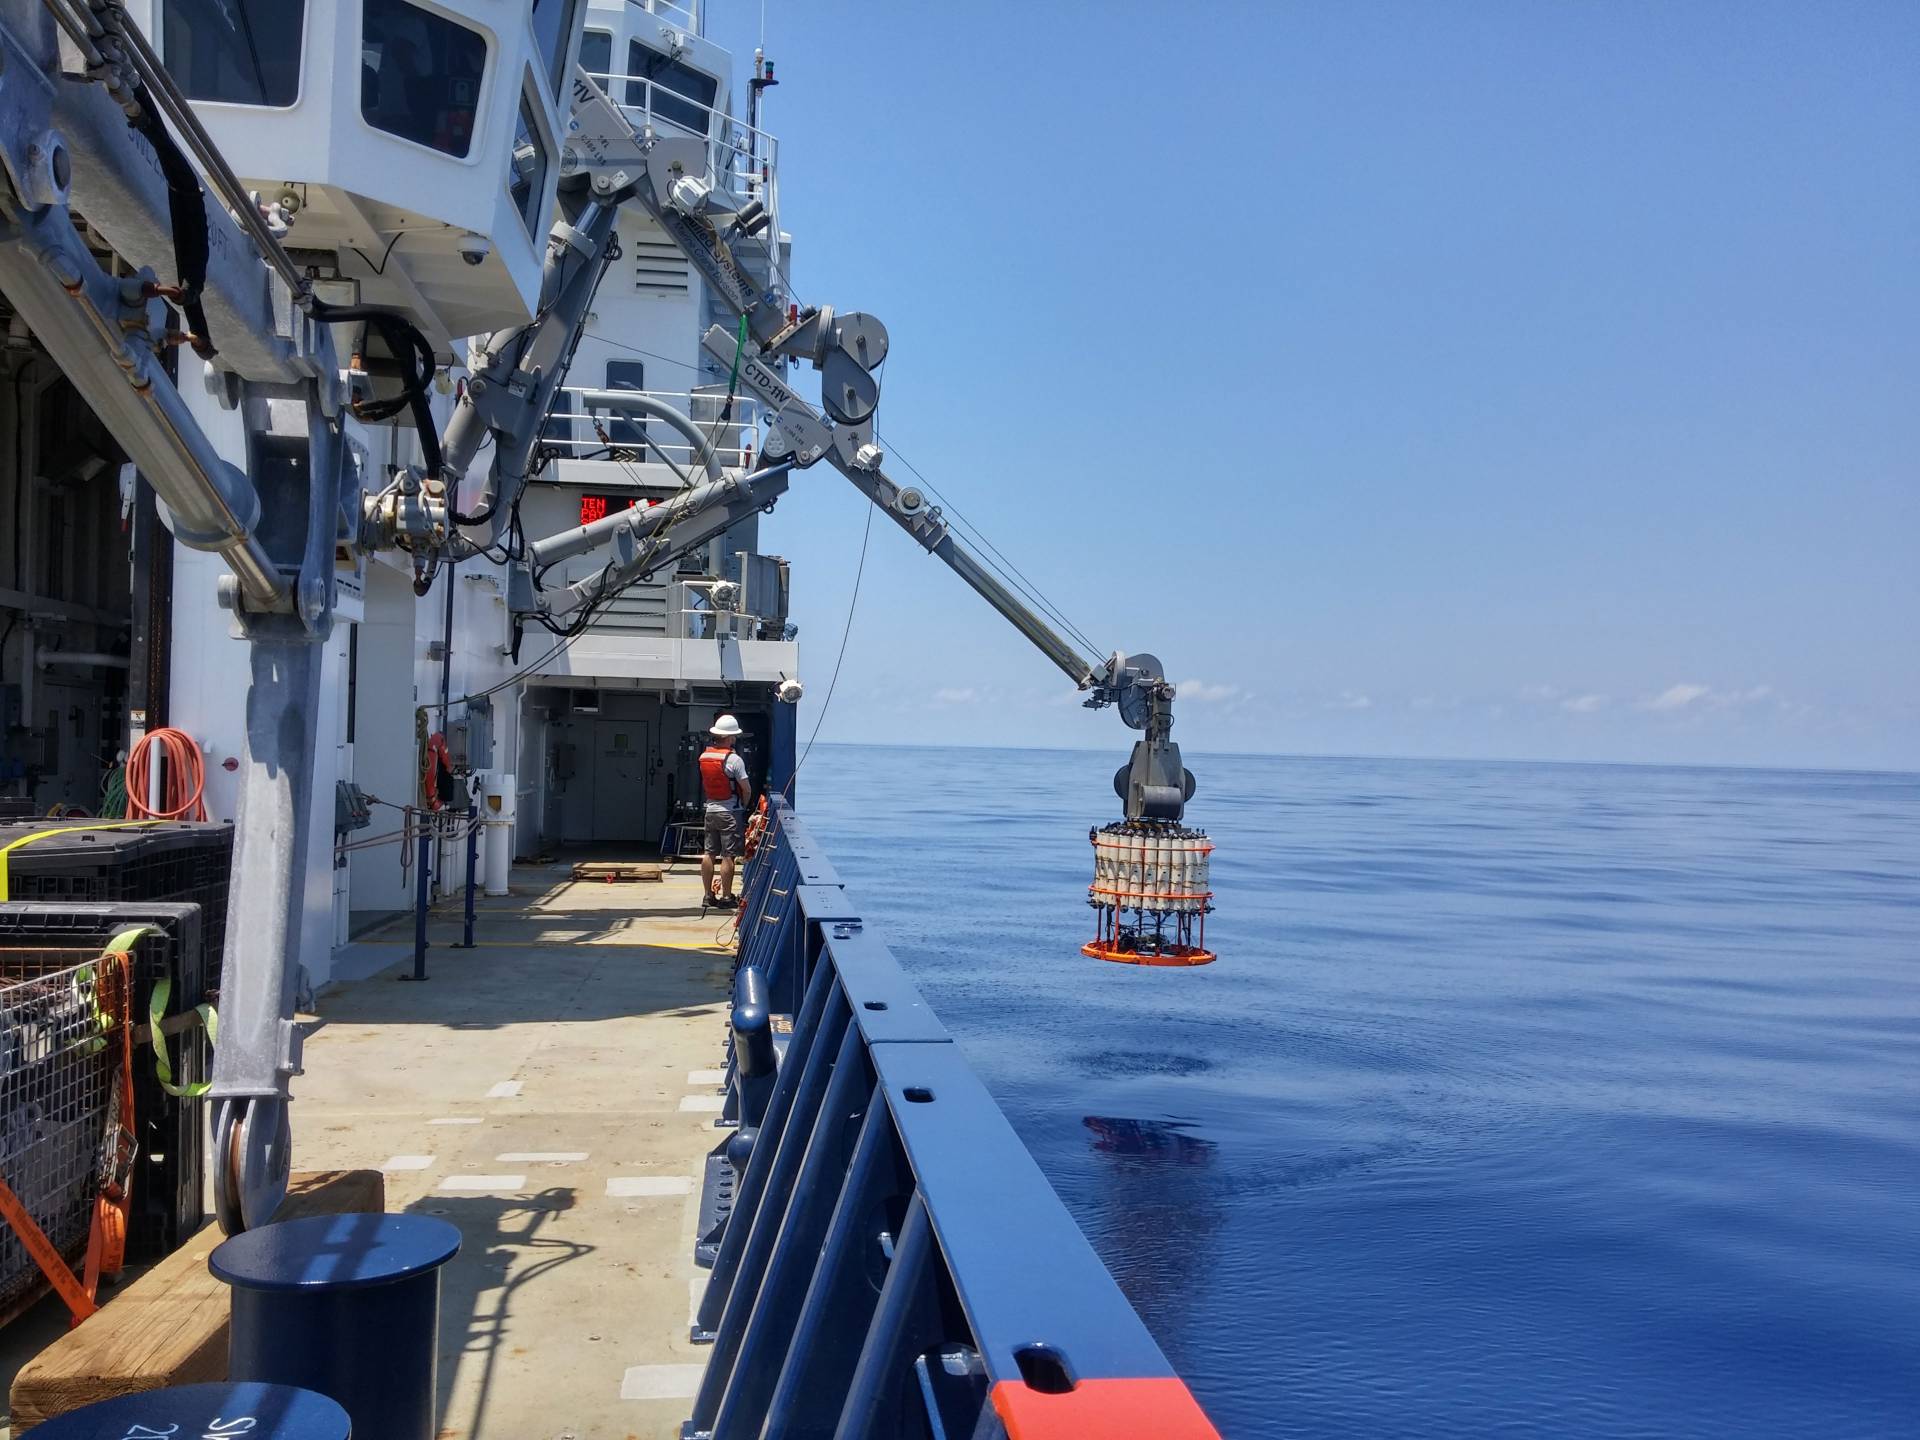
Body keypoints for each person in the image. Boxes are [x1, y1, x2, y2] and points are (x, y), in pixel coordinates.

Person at [699, 715, 752, 907]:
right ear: (730, 737)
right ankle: (727, 897)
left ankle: (707, 896)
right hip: (729, 811)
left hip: (710, 811)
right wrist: (743, 806)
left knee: (709, 853)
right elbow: (746, 789)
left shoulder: (704, 756)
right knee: (727, 855)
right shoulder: (734, 760)